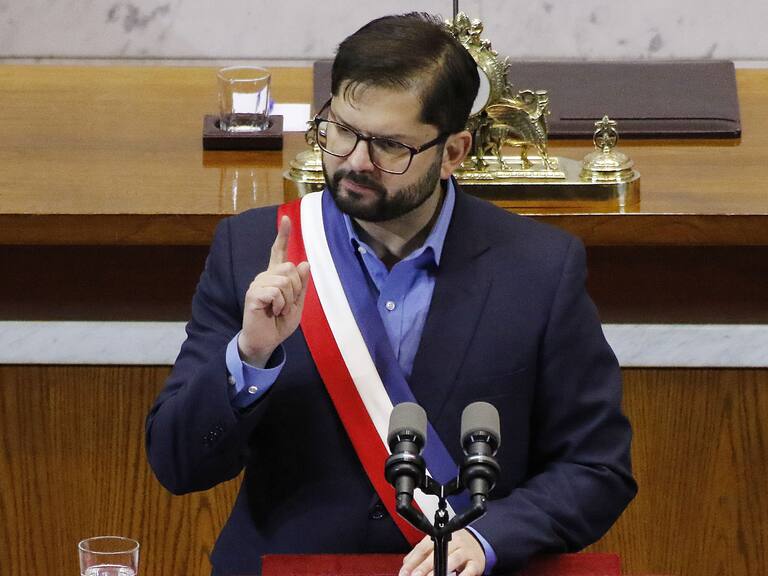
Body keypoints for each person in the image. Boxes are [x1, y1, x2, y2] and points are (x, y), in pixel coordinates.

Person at [146, 12, 636, 576]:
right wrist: (248, 358)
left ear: (453, 153)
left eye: (389, 146)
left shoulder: (540, 269)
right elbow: (177, 464)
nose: (356, 160)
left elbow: (598, 467)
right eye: (343, 130)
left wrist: (491, 537)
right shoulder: (252, 248)